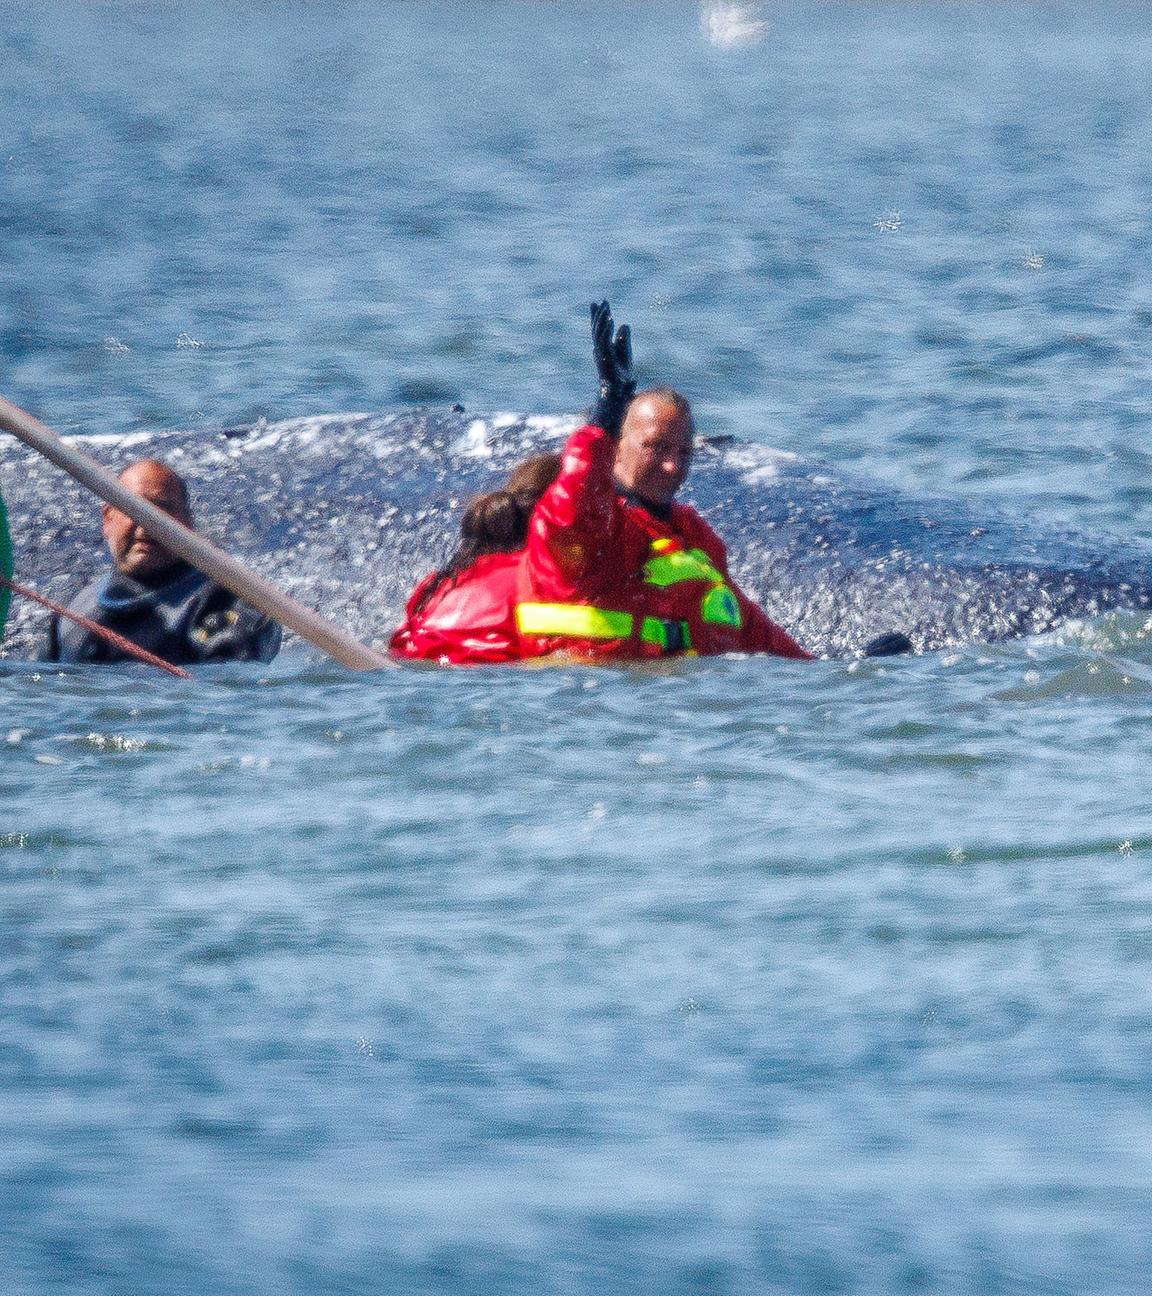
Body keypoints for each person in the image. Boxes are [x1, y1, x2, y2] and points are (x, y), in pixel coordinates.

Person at [514, 303, 816, 662]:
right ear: (618, 446)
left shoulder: (695, 537)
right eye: (655, 448)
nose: (672, 466)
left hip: (678, 707)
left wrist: (832, 673)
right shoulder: (598, 530)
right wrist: (603, 419)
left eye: (684, 452)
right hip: (596, 704)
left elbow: (756, 634)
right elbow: (569, 518)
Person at [44, 459, 281, 666]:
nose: (146, 525)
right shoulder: (71, 612)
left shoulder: (230, 601)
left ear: (187, 524)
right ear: (108, 519)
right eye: (132, 507)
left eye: (162, 510)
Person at [389, 453, 562, 665]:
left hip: (410, 666)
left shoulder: (436, 583)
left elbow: (400, 644)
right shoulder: (546, 581)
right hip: (492, 679)